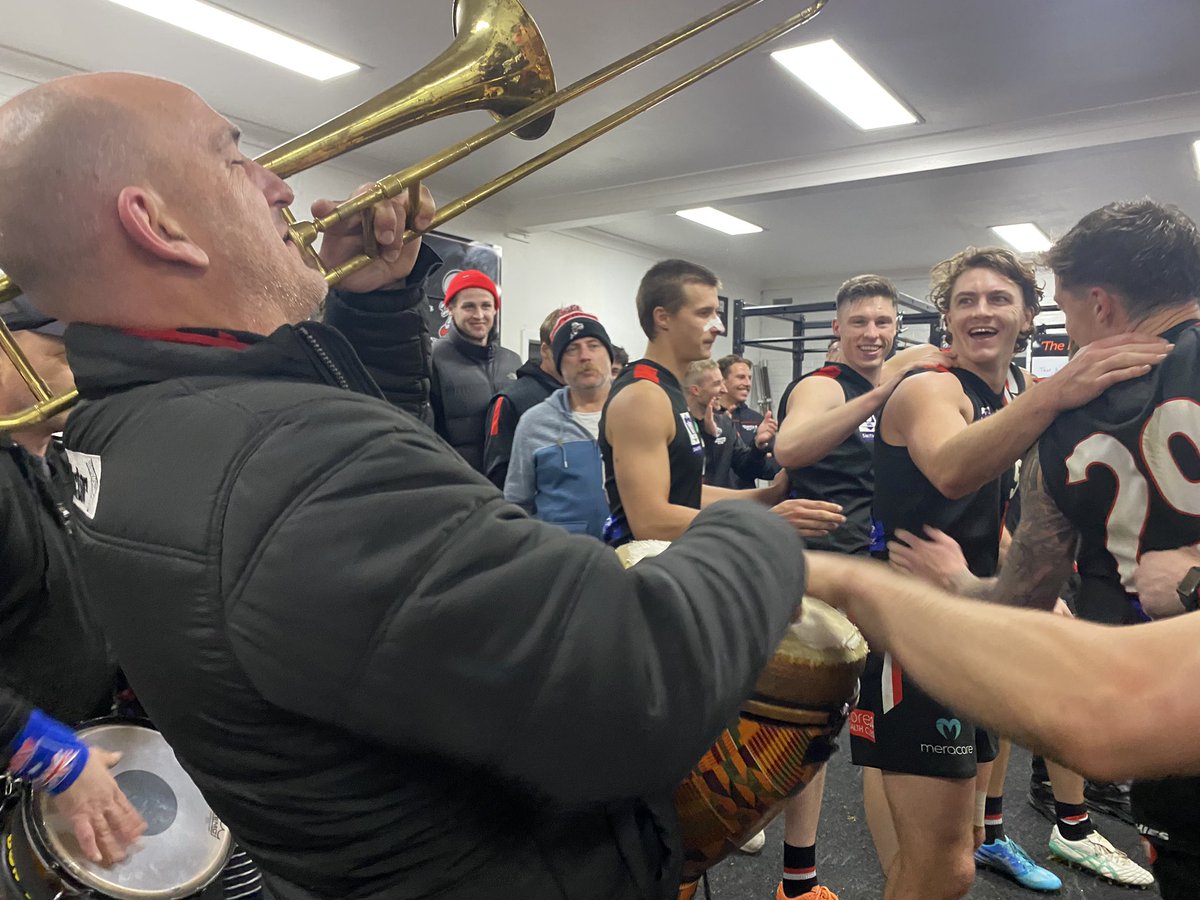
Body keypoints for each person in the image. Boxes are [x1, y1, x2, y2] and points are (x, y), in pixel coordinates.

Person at [0, 72, 814, 900]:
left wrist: (374, 307)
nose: (281, 184)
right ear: (159, 224)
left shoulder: (113, 427)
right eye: (236, 159)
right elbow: (640, 688)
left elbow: (373, 480)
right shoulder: (290, 463)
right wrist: (763, 535)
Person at [889, 199, 1200, 898]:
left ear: (1099, 304)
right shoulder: (1042, 409)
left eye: (1058, 309)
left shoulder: (1060, 422)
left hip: (1158, 720)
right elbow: (949, 467)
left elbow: (1015, 599)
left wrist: (952, 583)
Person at [770, 275, 945, 900]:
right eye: (859, 322)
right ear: (836, 330)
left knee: (870, 725)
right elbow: (789, 447)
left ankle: (894, 865)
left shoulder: (887, 387)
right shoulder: (823, 386)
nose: (872, 333)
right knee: (807, 729)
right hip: (818, 576)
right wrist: (882, 392)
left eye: (883, 322)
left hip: (875, 576)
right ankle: (797, 876)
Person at [0, 299, 146, 868]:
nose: (86, 372)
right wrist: (46, 755)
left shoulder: (53, 461)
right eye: (64, 354)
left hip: (88, 729)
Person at [599, 258, 845, 548]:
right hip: (649, 572)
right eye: (705, 313)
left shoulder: (668, 390)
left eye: (716, 312)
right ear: (662, 318)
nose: (719, 327)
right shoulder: (643, 396)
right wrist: (764, 521)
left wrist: (767, 497)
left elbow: (684, 493)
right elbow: (651, 520)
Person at [504, 309, 613, 538]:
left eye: (593, 345)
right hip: (564, 561)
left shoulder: (636, 414)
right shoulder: (534, 423)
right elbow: (517, 504)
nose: (584, 356)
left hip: (632, 555)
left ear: (609, 356)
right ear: (559, 364)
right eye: (572, 349)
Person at [430, 268, 521, 472]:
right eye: (469, 307)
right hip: (459, 485)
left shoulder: (512, 361)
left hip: (508, 483)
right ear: (451, 308)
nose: (479, 315)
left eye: (486, 306)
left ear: (495, 310)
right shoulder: (432, 359)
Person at [482, 304, 573, 489]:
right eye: (568, 348)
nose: (580, 356)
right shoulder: (510, 401)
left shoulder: (590, 399)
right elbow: (499, 478)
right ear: (545, 350)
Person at [683, 359, 776, 491]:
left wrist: (758, 447)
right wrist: (706, 434)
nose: (724, 390)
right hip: (687, 508)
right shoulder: (677, 423)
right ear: (696, 390)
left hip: (722, 507)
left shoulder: (724, 423)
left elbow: (746, 470)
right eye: (717, 384)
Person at [716, 354, 780, 487]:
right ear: (722, 381)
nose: (747, 383)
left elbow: (771, 470)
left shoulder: (758, 421)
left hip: (745, 501)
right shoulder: (709, 419)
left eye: (749, 378)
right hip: (711, 500)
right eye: (741, 377)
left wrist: (758, 450)